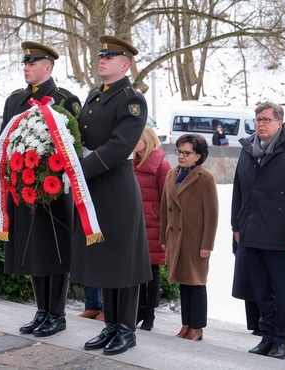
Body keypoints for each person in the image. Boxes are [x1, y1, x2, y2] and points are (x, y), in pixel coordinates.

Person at [70, 35, 151, 356]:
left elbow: (119, 146)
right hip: (94, 188)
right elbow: (79, 134)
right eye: (100, 55)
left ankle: (126, 330)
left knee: (123, 261)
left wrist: (80, 170)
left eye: (109, 56)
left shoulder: (132, 100)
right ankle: (110, 326)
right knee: (103, 259)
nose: (101, 60)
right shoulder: (95, 95)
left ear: (124, 64)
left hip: (115, 188)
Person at [0, 41, 82, 338]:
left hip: (54, 192)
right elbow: (3, 141)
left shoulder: (65, 100)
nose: (26, 68)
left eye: (32, 64)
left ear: (47, 68)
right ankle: (41, 311)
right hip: (23, 190)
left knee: (55, 251)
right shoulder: (14, 101)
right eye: (25, 63)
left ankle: (56, 314)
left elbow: (75, 146)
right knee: (33, 249)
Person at [231, 101, 285, 360]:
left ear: (280, 122)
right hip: (251, 231)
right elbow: (238, 189)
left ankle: (281, 339)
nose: (261, 124)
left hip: (280, 233)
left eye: (266, 119)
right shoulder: (248, 149)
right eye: (258, 119)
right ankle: (266, 336)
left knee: (280, 288)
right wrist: (237, 224)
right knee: (260, 289)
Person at [160, 133, 219, 342]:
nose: (181, 156)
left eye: (187, 153)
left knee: (197, 282)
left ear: (198, 156)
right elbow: (165, 209)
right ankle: (186, 324)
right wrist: (164, 239)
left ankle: (197, 327)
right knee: (183, 282)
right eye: (179, 151)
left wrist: (207, 245)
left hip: (196, 239)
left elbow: (212, 215)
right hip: (176, 238)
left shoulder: (206, 178)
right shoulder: (171, 174)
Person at [133, 126, 171, 331]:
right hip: (137, 224)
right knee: (138, 270)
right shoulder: (134, 164)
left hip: (153, 225)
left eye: (137, 138)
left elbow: (167, 199)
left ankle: (149, 315)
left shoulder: (161, 166)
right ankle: (139, 310)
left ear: (147, 139)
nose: (134, 141)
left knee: (152, 271)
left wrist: (163, 226)